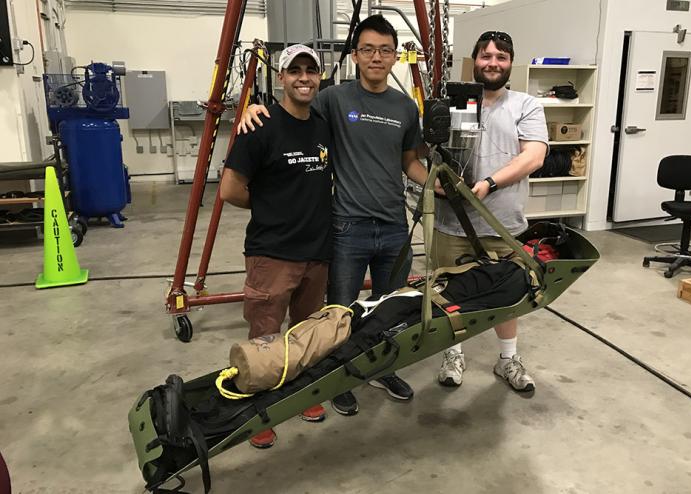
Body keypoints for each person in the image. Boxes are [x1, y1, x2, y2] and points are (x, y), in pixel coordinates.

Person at [239, 15, 436, 416]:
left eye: (384, 50)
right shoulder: (334, 99)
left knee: (389, 307)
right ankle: (339, 376)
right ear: (356, 56)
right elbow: (293, 109)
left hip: (395, 227)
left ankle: (383, 367)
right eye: (368, 49)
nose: (376, 57)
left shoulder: (404, 107)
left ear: (395, 56)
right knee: (338, 313)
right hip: (348, 227)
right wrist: (251, 111)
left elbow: (409, 163)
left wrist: (437, 182)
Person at [221, 44, 332, 449]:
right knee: (265, 336)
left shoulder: (322, 125)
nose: (304, 77)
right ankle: (259, 414)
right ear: (281, 78)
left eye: (311, 70)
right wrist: (270, 205)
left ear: (320, 77)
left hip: (317, 252)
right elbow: (230, 190)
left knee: (305, 333)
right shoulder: (260, 127)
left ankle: (299, 399)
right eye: (295, 71)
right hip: (273, 253)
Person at [434, 31, 548, 391]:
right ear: (475, 60)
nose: (493, 63)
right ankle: (453, 353)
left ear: (510, 62)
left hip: (503, 223)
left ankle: (507, 359)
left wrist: (488, 184)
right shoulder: (456, 102)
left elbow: (534, 155)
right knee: (449, 292)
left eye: (500, 56)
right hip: (453, 222)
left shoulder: (525, 105)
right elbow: (433, 152)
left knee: (509, 295)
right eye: (485, 56)